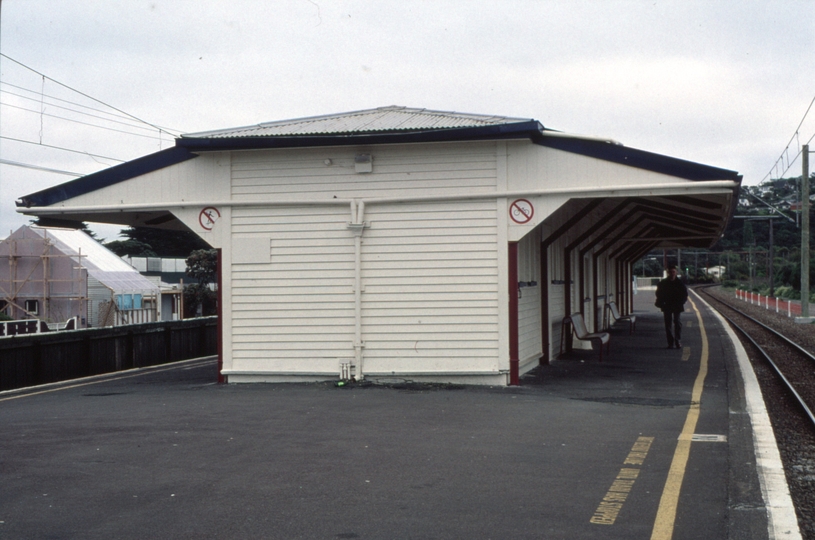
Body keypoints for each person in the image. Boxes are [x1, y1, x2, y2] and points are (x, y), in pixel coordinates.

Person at [655, 265, 688, 349]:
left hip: (677, 305)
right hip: (667, 305)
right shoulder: (663, 283)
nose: (672, 273)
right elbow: (658, 293)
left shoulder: (680, 283)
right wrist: (662, 302)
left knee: (677, 322)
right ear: (668, 273)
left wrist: (682, 302)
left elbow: (685, 294)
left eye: (674, 272)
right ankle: (670, 342)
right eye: (671, 272)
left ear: (676, 272)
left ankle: (677, 341)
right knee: (668, 324)